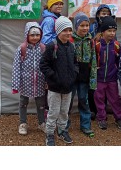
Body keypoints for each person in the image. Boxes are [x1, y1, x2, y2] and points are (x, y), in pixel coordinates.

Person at [40, 16, 79, 146]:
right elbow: (43, 65)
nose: (68, 33)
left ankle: (62, 130)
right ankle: (50, 134)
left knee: (64, 112)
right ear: (58, 31)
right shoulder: (52, 46)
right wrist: (54, 77)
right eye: (65, 30)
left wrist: (74, 75)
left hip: (68, 87)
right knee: (53, 112)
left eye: (70, 30)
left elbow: (75, 63)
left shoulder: (72, 46)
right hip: (55, 88)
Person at [11, 22, 46, 135]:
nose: (35, 37)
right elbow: (16, 67)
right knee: (23, 103)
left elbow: (46, 66)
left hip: (40, 82)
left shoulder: (43, 48)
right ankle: (22, 123)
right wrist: (15, 85)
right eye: (32, 35)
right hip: (25, 82)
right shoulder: (21, 49)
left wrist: (47, 81)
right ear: (27, 35)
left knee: (41, 104)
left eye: (37, 35)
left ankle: (42, 123)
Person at [66, 12, 96, 137]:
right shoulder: (70, 40)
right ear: (76, 26)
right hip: (72, 76)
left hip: (84, 77)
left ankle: (85, 125)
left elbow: (93, 60)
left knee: (84, 101)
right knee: (68, 101)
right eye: (82, 25)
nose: (85, 28)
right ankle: (64, 125)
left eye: (87, 25)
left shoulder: (90, 41)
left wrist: (93, 79)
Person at [95, 16, 121, 131]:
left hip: (112, 78)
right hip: (99, 78)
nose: (112, 33)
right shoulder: (97, 45)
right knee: (99, 98)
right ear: (103, 31)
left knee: (115, 99)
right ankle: (102, 118)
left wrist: (117, 73)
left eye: (114, 31)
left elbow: (120, 62)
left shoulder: (117, 45)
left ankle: (118, 118)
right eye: (109, 31)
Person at [88, 4, 113, 119]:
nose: (105, 15)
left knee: (105, 86)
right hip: (94, 60)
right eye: (103, 13)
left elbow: (113, 43)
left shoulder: (112, 25)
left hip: (106, 61)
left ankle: (102, 109)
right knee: (92, 86)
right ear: (98, 14)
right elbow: (88, 41)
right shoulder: (92, 27)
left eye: (107, 13)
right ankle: (92, 109)